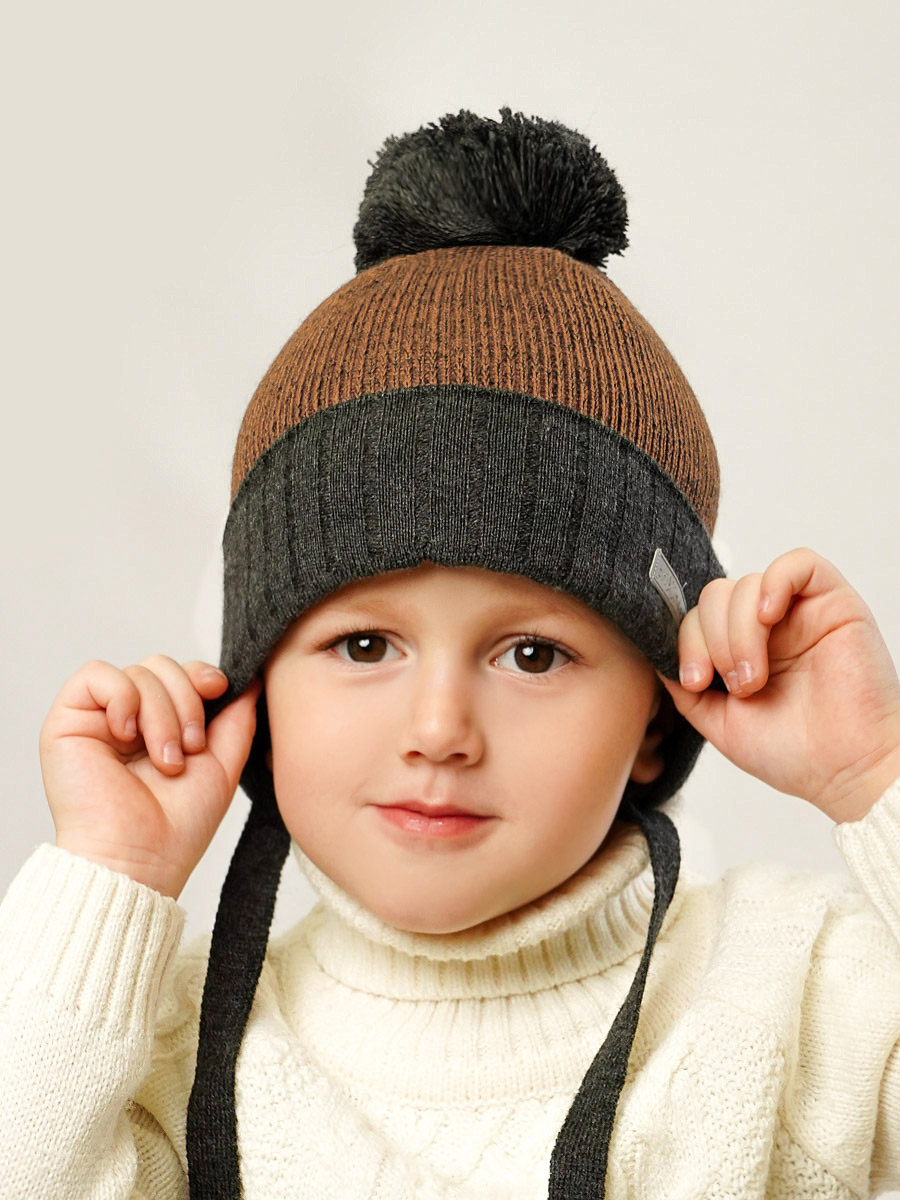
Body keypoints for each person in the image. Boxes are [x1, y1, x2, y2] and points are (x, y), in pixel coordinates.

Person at [2, 106, 900, 1200]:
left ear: (659, 716)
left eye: (533, 656)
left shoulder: (807, 1005)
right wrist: (109, 875)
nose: (439, 733)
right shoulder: (156, 1063)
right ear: (257, 695)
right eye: (364, 643)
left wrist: (876, 773)